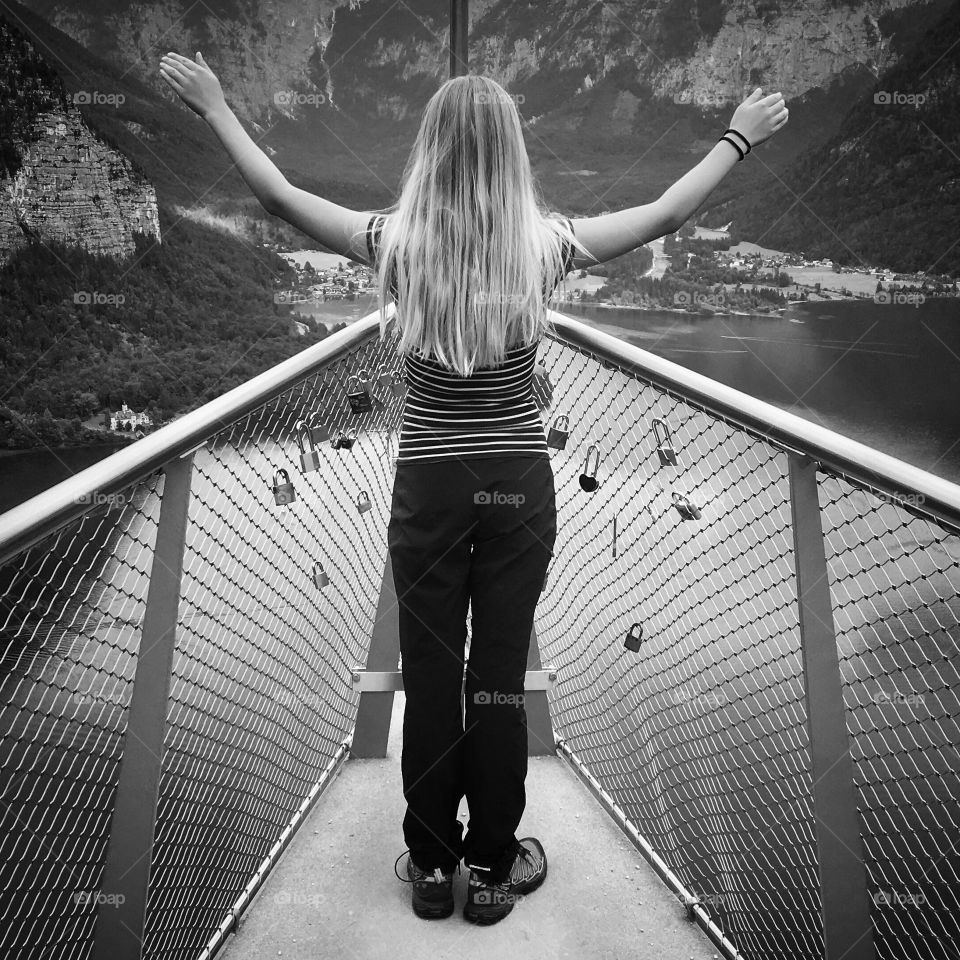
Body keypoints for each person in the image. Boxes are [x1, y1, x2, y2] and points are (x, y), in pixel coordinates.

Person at [159, 52, 788, 925]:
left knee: (429, 671)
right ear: (511, 155)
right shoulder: (546, 247)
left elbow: (275, 198)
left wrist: (218, 107)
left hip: (429, 485)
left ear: (432, 152)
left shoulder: (395, 242)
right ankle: (493, 869)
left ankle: (428, 866)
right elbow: (667, 213)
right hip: (516, 488)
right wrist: (737, 138)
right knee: (495, 676)